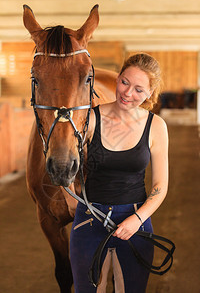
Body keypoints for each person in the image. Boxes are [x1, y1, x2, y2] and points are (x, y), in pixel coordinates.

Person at [70, 53, 168, 293]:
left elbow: (160, 186)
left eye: (138, 89)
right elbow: (71, 170)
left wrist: (137, 219)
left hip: (135, 219)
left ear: (150, 93)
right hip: (90, 217)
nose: (127, 93)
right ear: (118, 77)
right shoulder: (91, 119)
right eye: (124, 82)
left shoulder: (155, 126)